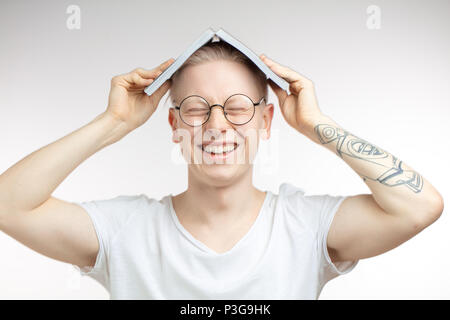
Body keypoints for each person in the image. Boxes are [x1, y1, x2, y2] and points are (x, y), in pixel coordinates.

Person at [0, 41, 443, 300]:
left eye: (237, 108)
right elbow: (8, 206)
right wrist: (113, 123)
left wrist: (316, 125)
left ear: (266, 121)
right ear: (174, 125)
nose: (216, 125)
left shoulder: (304, 225)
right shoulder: (125, 231)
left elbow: (419, 207)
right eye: (195, 109)